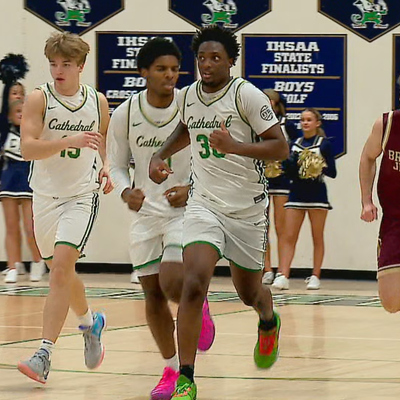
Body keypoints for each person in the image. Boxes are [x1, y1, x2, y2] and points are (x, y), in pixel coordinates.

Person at [149, 25, 289, 399]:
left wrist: (234, 146)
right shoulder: (188, 96)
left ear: (230, 61)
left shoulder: (247, 96)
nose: (207, 64)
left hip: (247, 211)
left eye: (215, 58)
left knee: (249, 293)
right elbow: (186, 129)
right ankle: (187, 378)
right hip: (204, 204)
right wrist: (160, 154)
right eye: (202, 58)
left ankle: (268, 319)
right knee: (194, 283)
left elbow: (280, 147)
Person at [107, 37, 215, 400]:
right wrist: (126, 192)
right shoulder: (126, 113)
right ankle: (169, 369)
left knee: (172, 281)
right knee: (152, 294)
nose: (170, 75)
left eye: (174, 69)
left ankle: (198, 302)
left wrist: (192, 188)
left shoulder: (191, 107)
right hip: (146, 214)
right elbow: (115, 165)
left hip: (186, 209)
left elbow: (211, 159)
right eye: (161, 69)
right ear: (144, 73)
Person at [17, 31, 113, 384]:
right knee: (61, 272)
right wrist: (68, 140)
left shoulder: (97, 101)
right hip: (44, 196)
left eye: (66, 64)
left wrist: (107, 167)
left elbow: (103, 145)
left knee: (59, 270)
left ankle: (43, 355)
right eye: (54, 64)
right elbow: (27, 148)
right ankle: (90, 323)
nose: (59, 70)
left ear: (81, 66)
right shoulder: (39, 98)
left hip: (81, 195)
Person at [272, 108, 337, 291]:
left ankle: (315, 276)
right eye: (302, 120)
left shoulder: (324, 144)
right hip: (296, 194)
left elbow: (333, 172)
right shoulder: (294, 144)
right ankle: (283, 275)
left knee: (317, 236)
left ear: (317, 123)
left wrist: (317, 167)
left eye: (309, 120)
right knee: (289, 236)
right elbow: (289, 173)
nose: (305, 123)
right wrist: (290, 166)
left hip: (317, 195)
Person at [0, 99, 45, 283]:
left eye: (23, 111)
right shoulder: (5, 133)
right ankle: (12, 267)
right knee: (11, 228)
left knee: (30, 228)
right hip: (8, 183)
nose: (20, 114)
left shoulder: (34, 133)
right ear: (9, 115)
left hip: (28, 183)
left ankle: (37, 261)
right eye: (17, 111)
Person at [359, 109, 400, 313]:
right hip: (395, 220)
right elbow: (367, 157)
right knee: (391, 302)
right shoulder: (387, 124)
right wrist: (366, 201)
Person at [262, 89, 299, 285]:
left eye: (269, 100)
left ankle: (283, 272)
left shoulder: (287, 125)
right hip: (261, 180)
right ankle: (267, 269)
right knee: (262, 226)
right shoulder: (255, 123)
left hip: (282, 180)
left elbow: (297, 150)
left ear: (277, 104)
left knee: (281, 227)